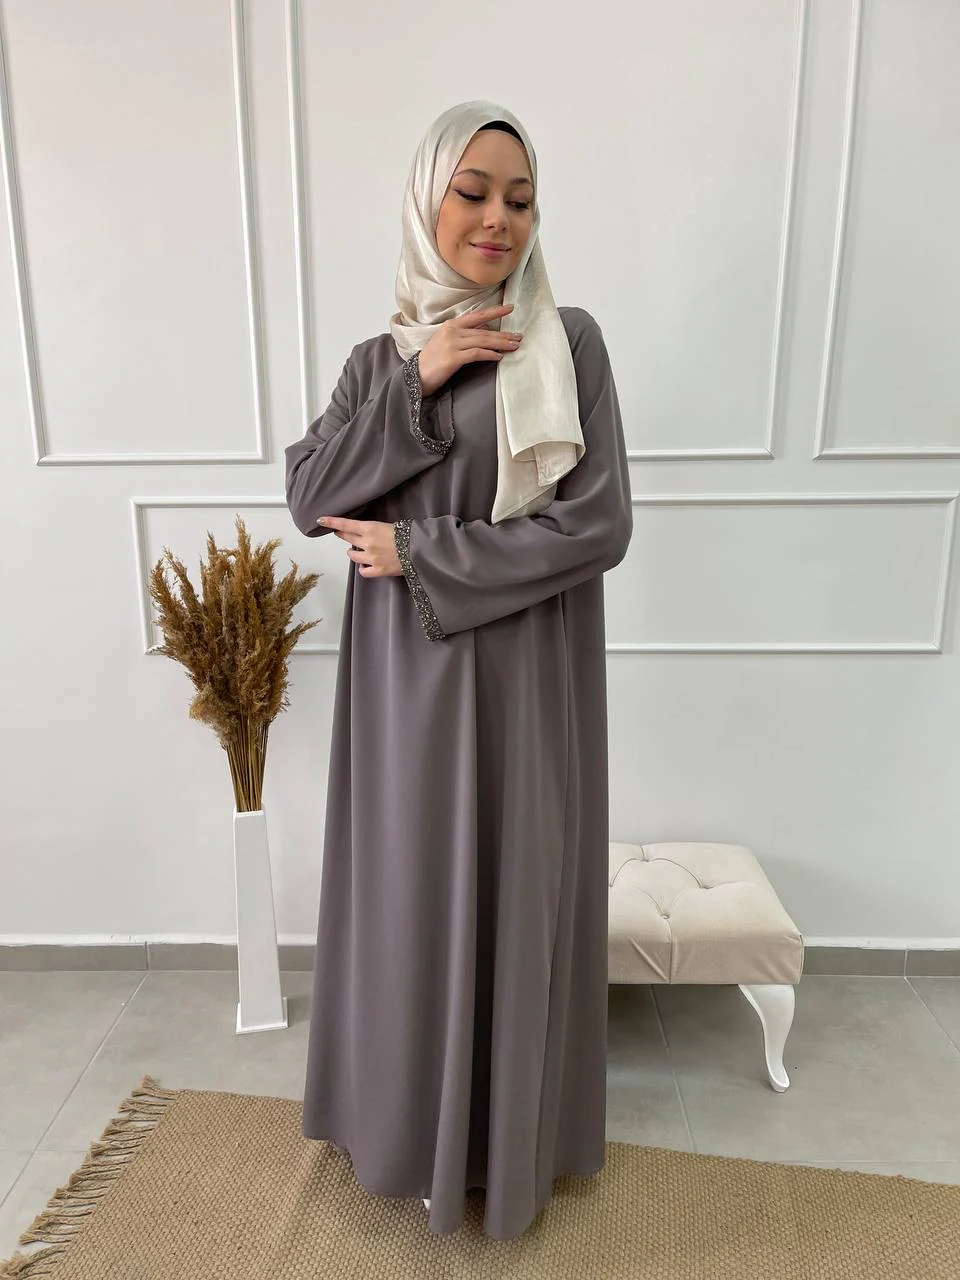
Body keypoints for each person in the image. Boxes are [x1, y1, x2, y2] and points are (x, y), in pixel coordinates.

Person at [284, 100, 633, 1242]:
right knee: (409, 901)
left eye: (520, 200)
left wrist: (420, 550)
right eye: (472, 192)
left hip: (527, 676)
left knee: (518, 892)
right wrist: (422, 377)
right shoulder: (376, 362)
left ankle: (508, 1146)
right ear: (426, 201)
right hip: (405, 692)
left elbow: (597, 524)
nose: (497, 219)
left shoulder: (567, 342)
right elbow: (311, 495)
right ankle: (403, 1137)